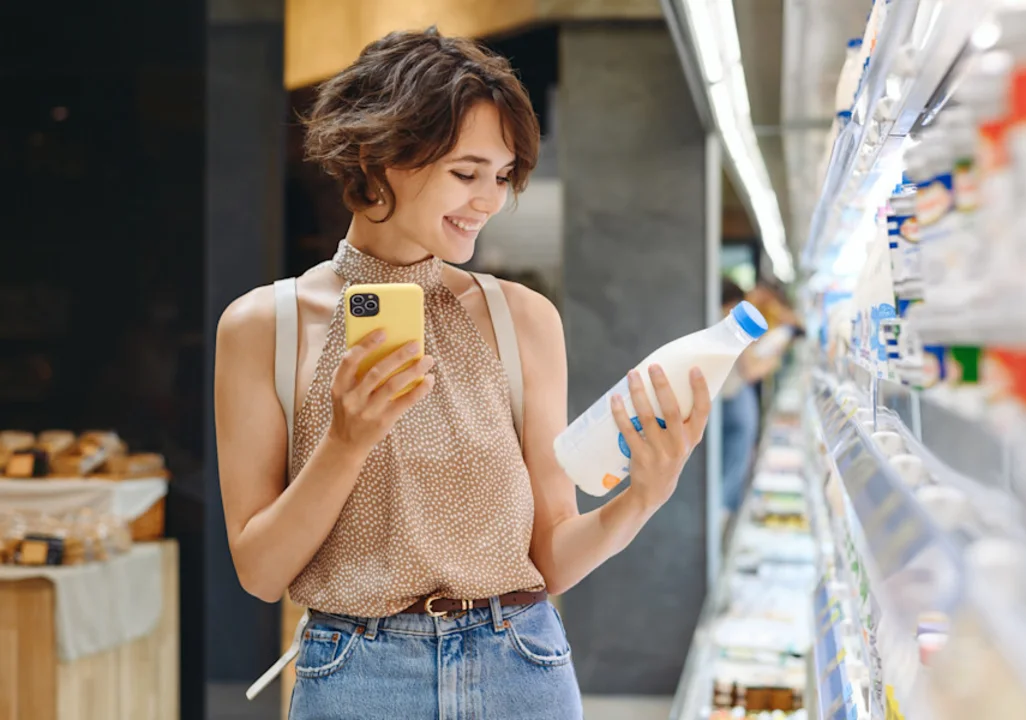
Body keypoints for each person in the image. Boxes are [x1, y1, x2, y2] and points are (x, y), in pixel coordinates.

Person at [213, 29, 712, 720]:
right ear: (377, 154)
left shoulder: (522, 320)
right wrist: (345, 443)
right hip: (356, 678)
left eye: (503, 175)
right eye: (465, 171)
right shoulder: (264, 327)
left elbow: (554, 556)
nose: (488, 199)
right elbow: (261, 573)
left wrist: (642, 499)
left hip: (521, 666)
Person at [719, 279, 783, 520]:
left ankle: (722, 513)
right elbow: (750, 370)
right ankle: (723, 514)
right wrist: (772, 360)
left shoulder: (710, 321)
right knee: (733, 463)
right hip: (734, 399)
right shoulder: (730, 323)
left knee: (728, 461)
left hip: (724, 401)